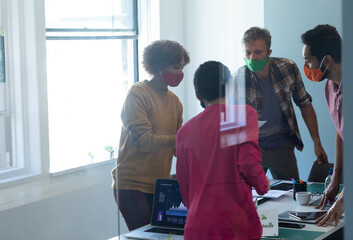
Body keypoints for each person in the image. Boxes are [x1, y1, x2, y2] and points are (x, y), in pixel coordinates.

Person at [176, 61, 269, 239]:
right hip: (234, 224)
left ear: (197, 95)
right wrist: (263, 184)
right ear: (230, 87)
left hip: (197, 226)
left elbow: (184, 184)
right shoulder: (242, 116)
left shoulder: (184, 132)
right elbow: (248, 164)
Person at [111, 40, 190, 231]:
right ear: (159, 65)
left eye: (182, 67)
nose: (179, 73)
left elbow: (176, 148)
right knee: (147, 235)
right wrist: (186, 139)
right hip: (132, 185)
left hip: (160, 184)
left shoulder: (175, 102)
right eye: (175, 67)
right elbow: (145, 141)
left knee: (164, 234)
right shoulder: (138, 93)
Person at [233, 27, 327, 180]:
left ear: (269, 53)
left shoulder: (288, 68)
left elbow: (305, 105)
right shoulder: (237, 79)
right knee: (245, 197)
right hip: (252, 148)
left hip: (283, 146)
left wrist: (317, 142)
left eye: (257, 52)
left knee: (291, 195)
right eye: (247, 52)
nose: (252, 58)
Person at [301, 24, 344, 227]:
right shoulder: (330, 87)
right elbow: (341, 129)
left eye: (308, 61)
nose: (306, 67)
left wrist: (343, 199)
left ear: (326, 60)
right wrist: (336, 177)